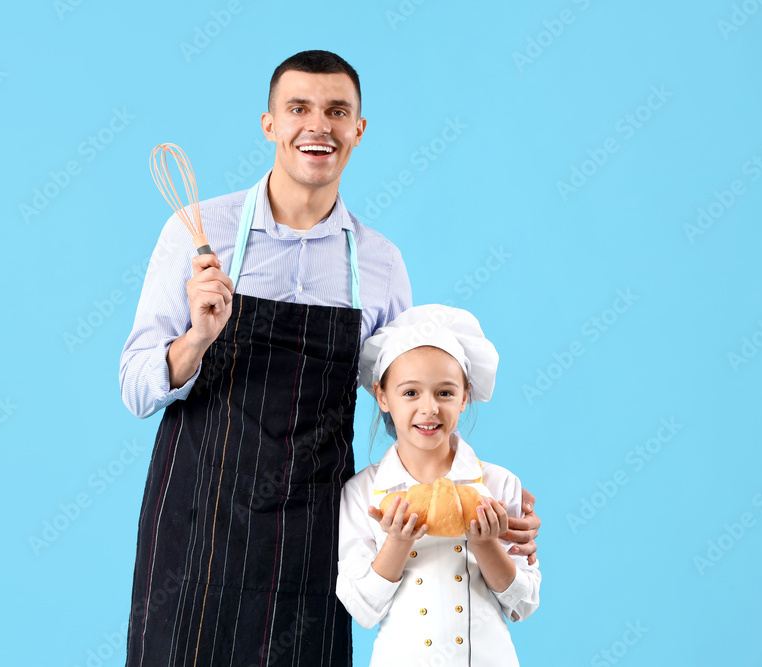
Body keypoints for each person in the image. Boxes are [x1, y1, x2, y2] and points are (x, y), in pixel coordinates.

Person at [119, 50, 540, 666]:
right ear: (270, 124)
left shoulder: (381, 263)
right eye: (299, 109)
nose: (318, 126)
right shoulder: (195, 230)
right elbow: (135, 387)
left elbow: (411, 405)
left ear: (358, 130)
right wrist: (198, 339)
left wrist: (487, 501)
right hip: (195, 518)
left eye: (337, 111)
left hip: (310, 527)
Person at [337, 304, 540, 666]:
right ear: (382, 396)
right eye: (410, 393)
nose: (429, 408)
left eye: (444, 393)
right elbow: (363, 610)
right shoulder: (362, 493)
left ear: (465, 397)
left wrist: (486, 542)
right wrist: (397, 542)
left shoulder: (499, 483)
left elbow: (523, 603)